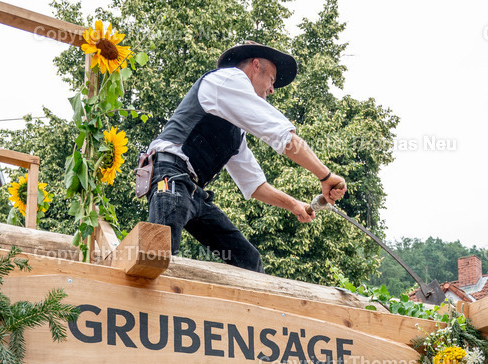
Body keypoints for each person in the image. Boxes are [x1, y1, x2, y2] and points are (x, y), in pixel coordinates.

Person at [143, 41, 347, 272]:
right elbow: (283, 137)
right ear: (255, 65)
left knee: (248, 260)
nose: (272, 90)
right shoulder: (228, 79)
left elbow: (254, 184)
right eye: (271, 80)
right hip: (169, 177)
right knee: (157, 256)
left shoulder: (234, 130)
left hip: (193, 191)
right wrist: (325, 176)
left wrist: (294, 205)